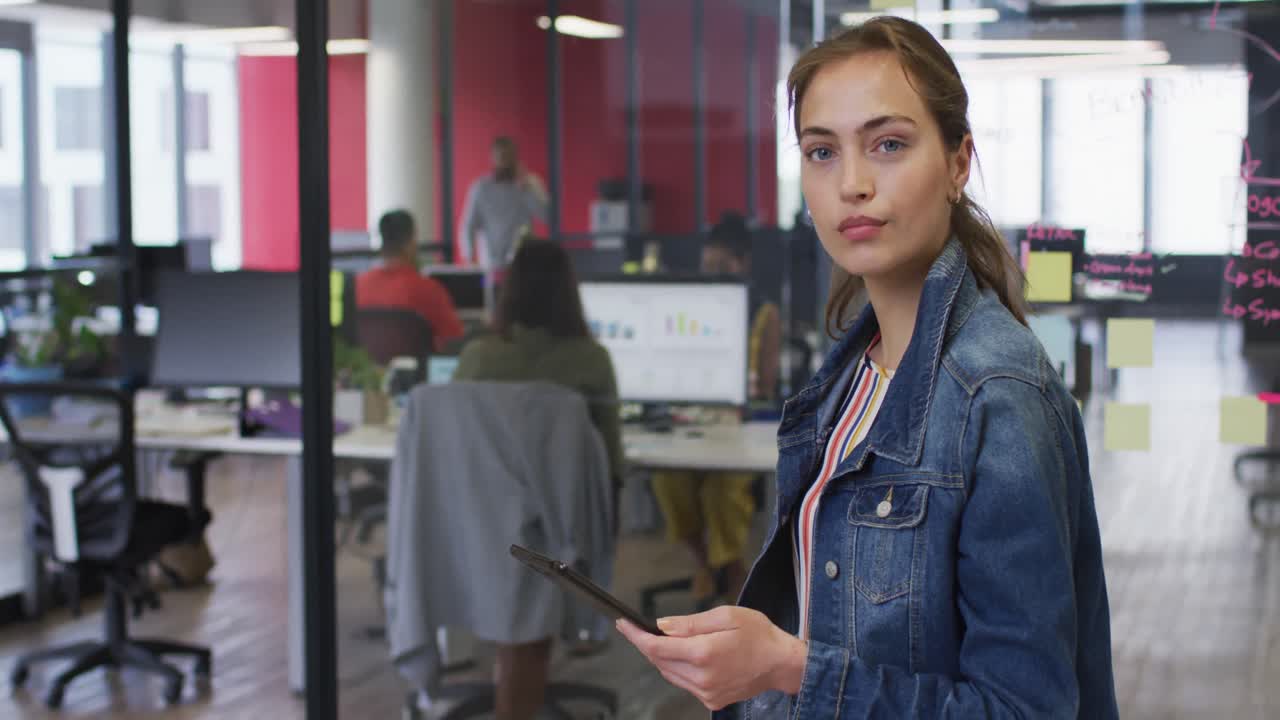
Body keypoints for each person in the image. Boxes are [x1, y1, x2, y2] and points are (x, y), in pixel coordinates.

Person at [616, 17, 1118, 718]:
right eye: (822, 152)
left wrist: (791, 668)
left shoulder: (997, 394)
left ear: (957, 162)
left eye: (888, 144)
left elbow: (1023, 709)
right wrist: (752, 663)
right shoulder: (856, 372)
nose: (852, 183)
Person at [451, 238, 622, 719]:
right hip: (554, 540)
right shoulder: (590, 361)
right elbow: (610, 465)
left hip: (478, 528)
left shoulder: (478, 358)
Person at [647, 212, 783, 610]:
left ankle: (722, 569)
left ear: (744, 264)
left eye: (723, 266)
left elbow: (766, 387)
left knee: (723, 489)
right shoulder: (690, 310)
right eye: (708, 266)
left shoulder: (764, 313)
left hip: (735, 420)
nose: (713, 274)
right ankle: (715, 566)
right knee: (668, 481)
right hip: (689, 415)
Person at [356, 209, 464, 351]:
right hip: (417, 371)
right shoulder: (428, 290)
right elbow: (454, 341)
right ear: (411, 242)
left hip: (369, 371)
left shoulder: (359, 285)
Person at [458, 136, 550, 271]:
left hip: (523, 263)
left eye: (509, 157)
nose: (505, 162)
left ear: (516, 158)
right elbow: (468, 226)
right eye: (501, 157)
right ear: (493, 158)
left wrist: (525, 189)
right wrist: (470, 257)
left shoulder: (531, 183)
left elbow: (547, 217)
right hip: (491, 264)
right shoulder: (481, 188)